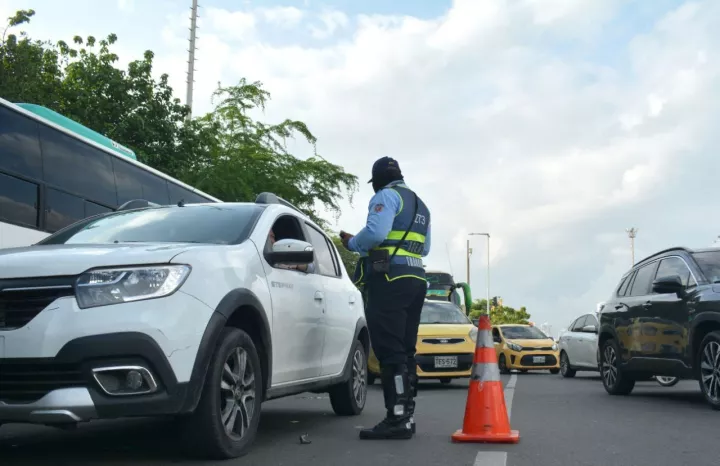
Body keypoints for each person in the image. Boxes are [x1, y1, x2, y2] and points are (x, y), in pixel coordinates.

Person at [340, 156, 431, 440]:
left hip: (390, 279)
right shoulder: (421, 205)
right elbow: (425, 248)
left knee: (390, 351)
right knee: (405, 350)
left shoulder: (386, 196)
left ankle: (397, 418)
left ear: (378, 180)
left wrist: (353, 243)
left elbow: (376, 233)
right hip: (417, 279)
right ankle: (407, 416)